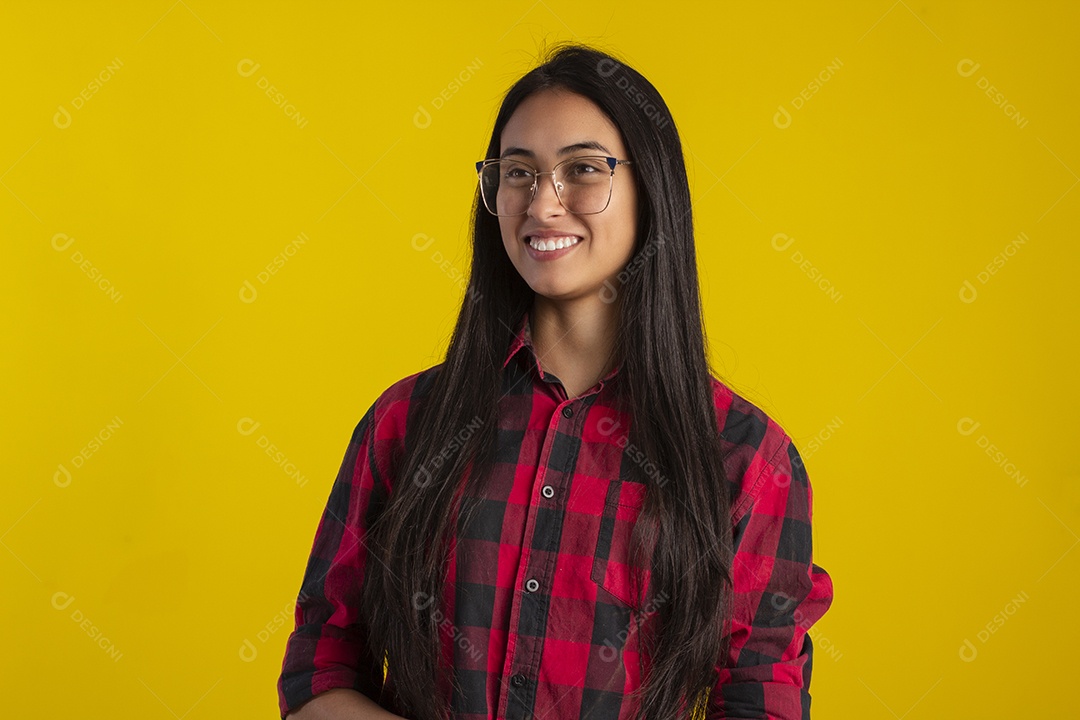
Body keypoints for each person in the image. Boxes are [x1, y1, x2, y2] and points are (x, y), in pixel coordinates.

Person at [276, 41, 833, 720]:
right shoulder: (407, 421)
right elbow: (320, 665)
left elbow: (760, 700)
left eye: (583, 169)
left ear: (650, 188)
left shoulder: (747, 459)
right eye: (518, 173)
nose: (542, 203)